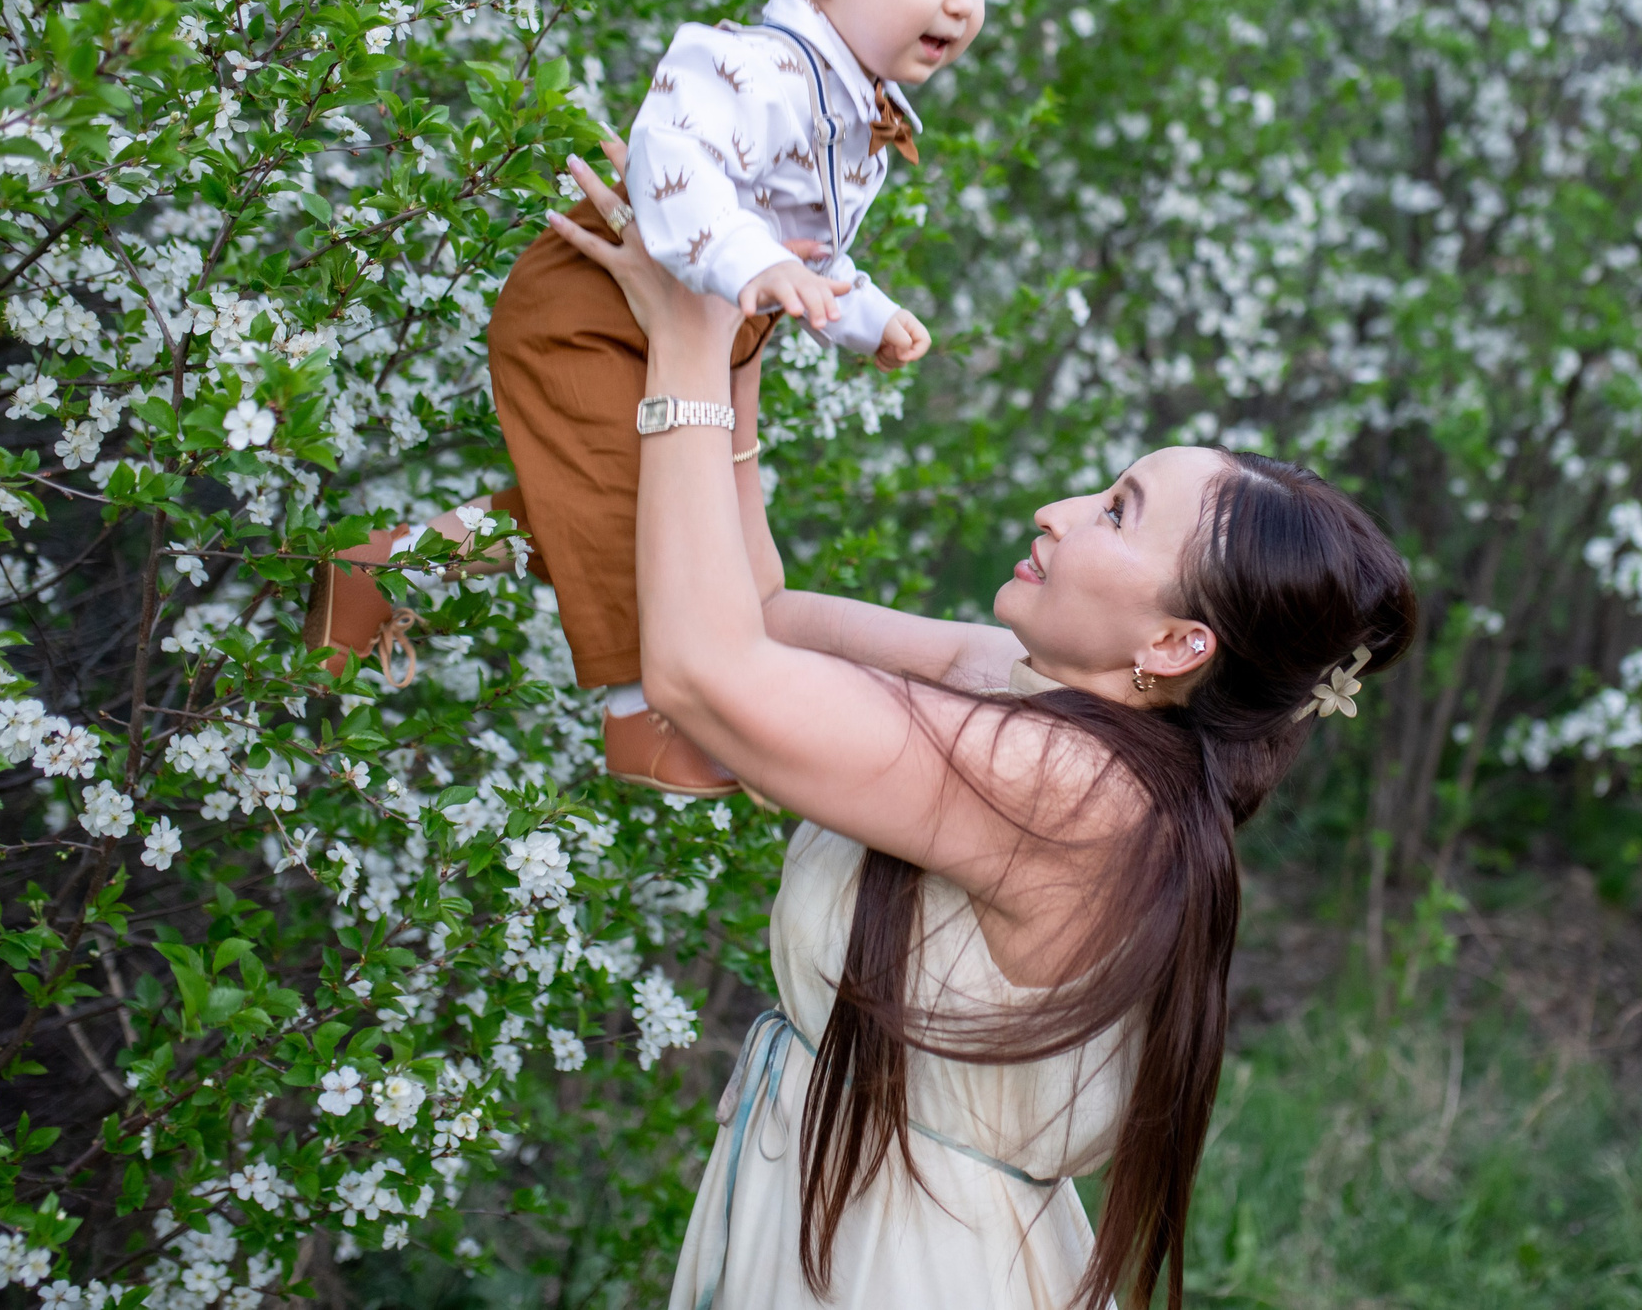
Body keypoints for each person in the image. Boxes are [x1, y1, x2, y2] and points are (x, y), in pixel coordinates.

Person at [539, 162, 1418, 1309]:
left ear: (1173, 647)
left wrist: (687, 350)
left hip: (902, 1268)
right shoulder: (1018, 683)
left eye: (1114, 514)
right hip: (828, 1208)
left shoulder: (1077, 790)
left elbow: (706, 677)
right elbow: (753, 620)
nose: (1055, 512)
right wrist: (733, 328)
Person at [303, 0, 1015, 799]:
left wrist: (864, 319)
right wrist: (749, 267)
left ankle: (390, 568)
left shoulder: (856, 106)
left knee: (604, 511)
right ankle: (640, 718)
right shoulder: (748, 64)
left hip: (687, 323)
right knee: (645, 525)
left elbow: (809, 251)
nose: (962, 1)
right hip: (595, 315)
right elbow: (668, 158)